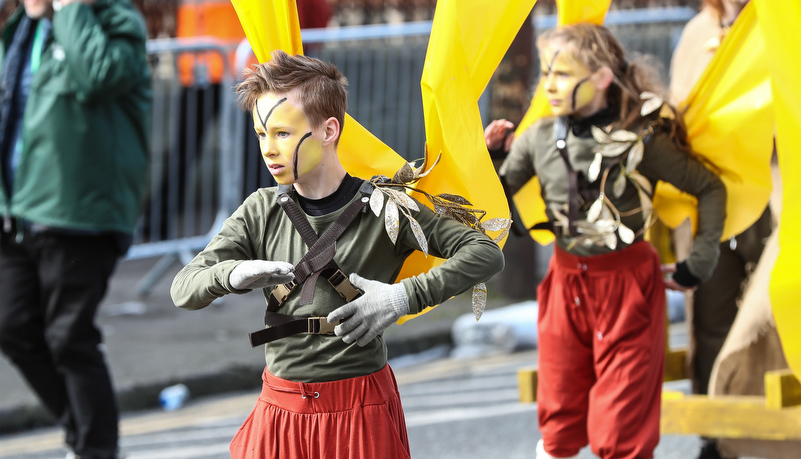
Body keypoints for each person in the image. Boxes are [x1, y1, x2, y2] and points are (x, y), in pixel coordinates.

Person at [170, 50, 505, 459]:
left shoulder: (387, 207)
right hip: (280, 410)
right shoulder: (260, 209)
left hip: (360, 410)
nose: (269, 149)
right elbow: (184, 288)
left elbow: (484, 251)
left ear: (328, 130)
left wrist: (404, 297)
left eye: (283, 133)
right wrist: (232, 274)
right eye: (262, 135)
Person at [486, 23, 726, 459]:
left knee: (621, 433)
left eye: (561, 74)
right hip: (564, 288)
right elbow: (493, 207)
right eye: (546, 73)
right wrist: (494, 159)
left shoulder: (642, 138)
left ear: (600, 78)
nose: (548, 86)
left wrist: (701, 259)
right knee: (558, 427)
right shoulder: (538, 137)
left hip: (629, 289)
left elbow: (709, 187)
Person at [0, 0, 152, 457]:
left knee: (69, 337)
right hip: (18, 209)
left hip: (80, 214)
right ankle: (86, 434)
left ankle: (94, 446)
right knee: (11, 325)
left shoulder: (117, 22)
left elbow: (98, 75)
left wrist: (69, 7)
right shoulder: (24, 31)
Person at [670, 1, 775, 458]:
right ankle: (717, 435)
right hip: (708, 201)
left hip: (775, 190)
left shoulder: (780, 19)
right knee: (710, 318)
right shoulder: (698, 32)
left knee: (773, 319)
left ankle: (781, 430)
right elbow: (678, 113)